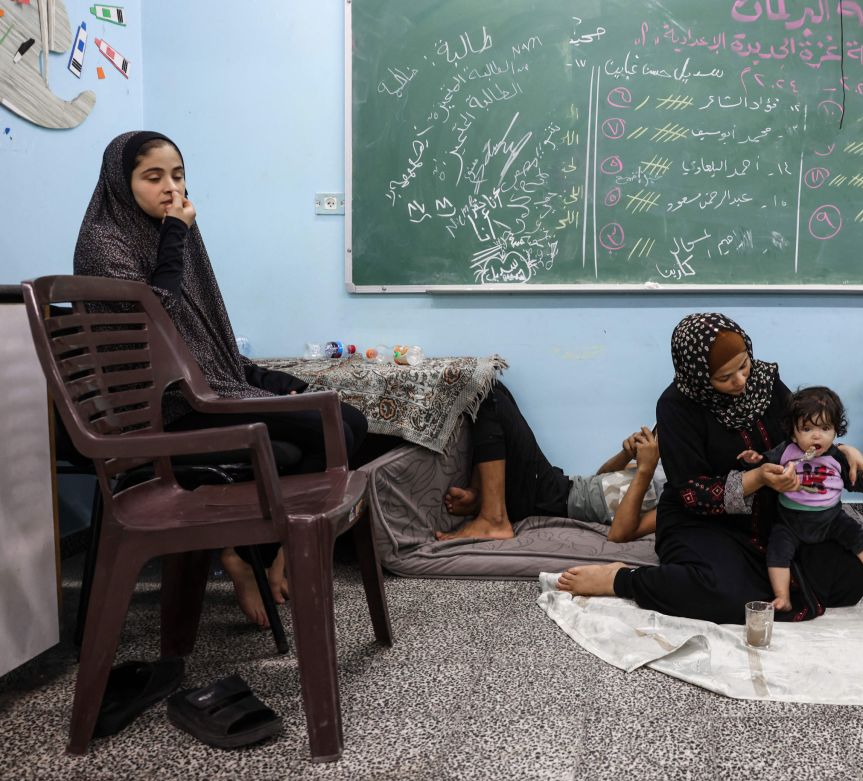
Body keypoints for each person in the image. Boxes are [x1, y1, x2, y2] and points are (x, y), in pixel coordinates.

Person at [74, 130, 369, 629]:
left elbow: (209, 345)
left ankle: (262, 555)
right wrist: (176, 235)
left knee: (344, 419)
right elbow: (154, 333)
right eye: (153, 177)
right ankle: (270, 555)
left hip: (211, 390)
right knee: (329, 430)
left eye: (178, 175)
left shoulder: (165, 230)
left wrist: (267, 382)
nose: (171, 188)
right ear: (121, 185)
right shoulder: (105, 243)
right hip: (166, 411)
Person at [557, 313, 863, 623]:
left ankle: (758, 576)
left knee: (851, 574)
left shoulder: (765, 381)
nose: (741, 381)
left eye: (744, 366)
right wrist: (757, 477)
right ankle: (622, 579)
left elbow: (804, 430)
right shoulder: (676, 407)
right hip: (703, 525)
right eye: (724, 377)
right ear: (697, 375)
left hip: (773, 518)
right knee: (727, 594)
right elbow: (692, 494)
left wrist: (845, 450)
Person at [435, 382, 663, 544]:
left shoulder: (674, 495)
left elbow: (620, 533)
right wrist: (627, 455)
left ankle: (494, 519)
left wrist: (645, 469)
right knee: (495, 387)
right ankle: (483, 497)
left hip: (553, 501)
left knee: (488, 397)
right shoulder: (661, 469)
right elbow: (601, 477)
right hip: (560, 487)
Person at [738, 386, 863, 611]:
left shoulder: (836, 457)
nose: (817, 435)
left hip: (831, 520)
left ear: (835, 432)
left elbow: (853, 481)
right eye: (807, 428)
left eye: (825, 428)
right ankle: (782, 597)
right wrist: (753, 460)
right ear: (794, 433)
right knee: (777, 552)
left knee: (860, 538)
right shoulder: (787, 451)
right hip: (791, 521)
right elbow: (765, 464)